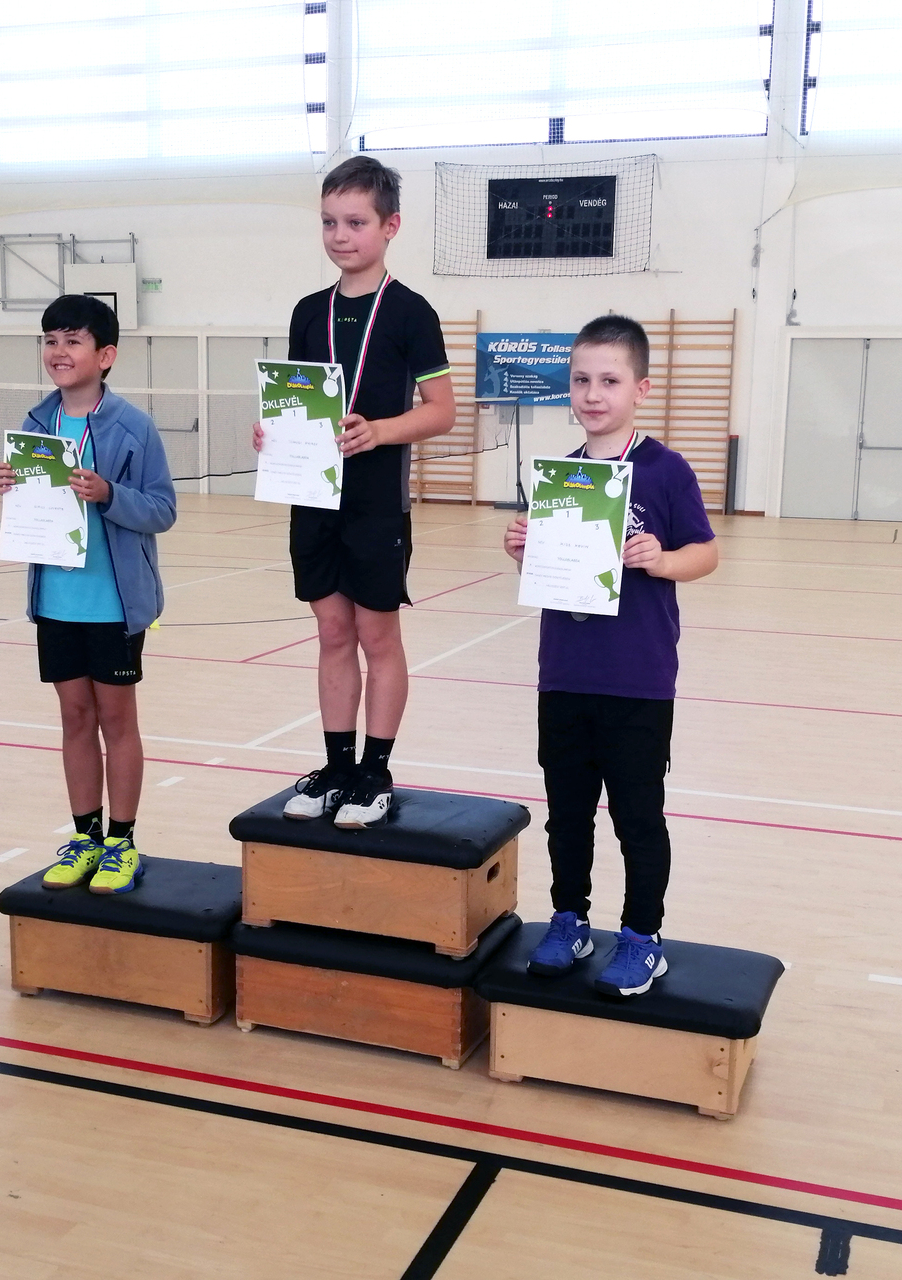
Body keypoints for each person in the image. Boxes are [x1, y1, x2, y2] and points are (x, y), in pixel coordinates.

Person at [502, 314, 719, 997]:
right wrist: (523, 552)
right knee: (567, 814)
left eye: (609, 381)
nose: (593, 394)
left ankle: (642, 937)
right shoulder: (561, 477)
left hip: (638, 680)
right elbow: (554, 574)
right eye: (581, 380)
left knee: (637, 818)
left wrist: (663, 558)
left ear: (640, 389)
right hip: (565, 675)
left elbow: (706, 553)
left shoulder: (665, 470)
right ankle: (568, 920)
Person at [253, 155, 456, 828]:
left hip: (375, 503)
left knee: (376, 634)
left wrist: (380, 431)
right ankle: (337, 766)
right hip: (313, 497)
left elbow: (443, 411)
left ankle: (375, 771)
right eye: (329, 222)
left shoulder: (411, 312)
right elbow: (299, 399)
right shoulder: (308, 312)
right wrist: (273, 431)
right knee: (331, 630)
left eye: (356, 222)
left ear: (390, 226)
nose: (340, 235)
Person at [0, 294, 177, 894]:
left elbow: (162, 509)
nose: (59, 351)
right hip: (56, 602)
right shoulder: (35, 425)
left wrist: (108, 494)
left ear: (106, 355)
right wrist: (11, 488)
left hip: (114, 604)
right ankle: (86, 838)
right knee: (74, 718)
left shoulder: (133, 426)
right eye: (51, 340)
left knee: (116, 720)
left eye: (73, 340)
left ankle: (122, 842)